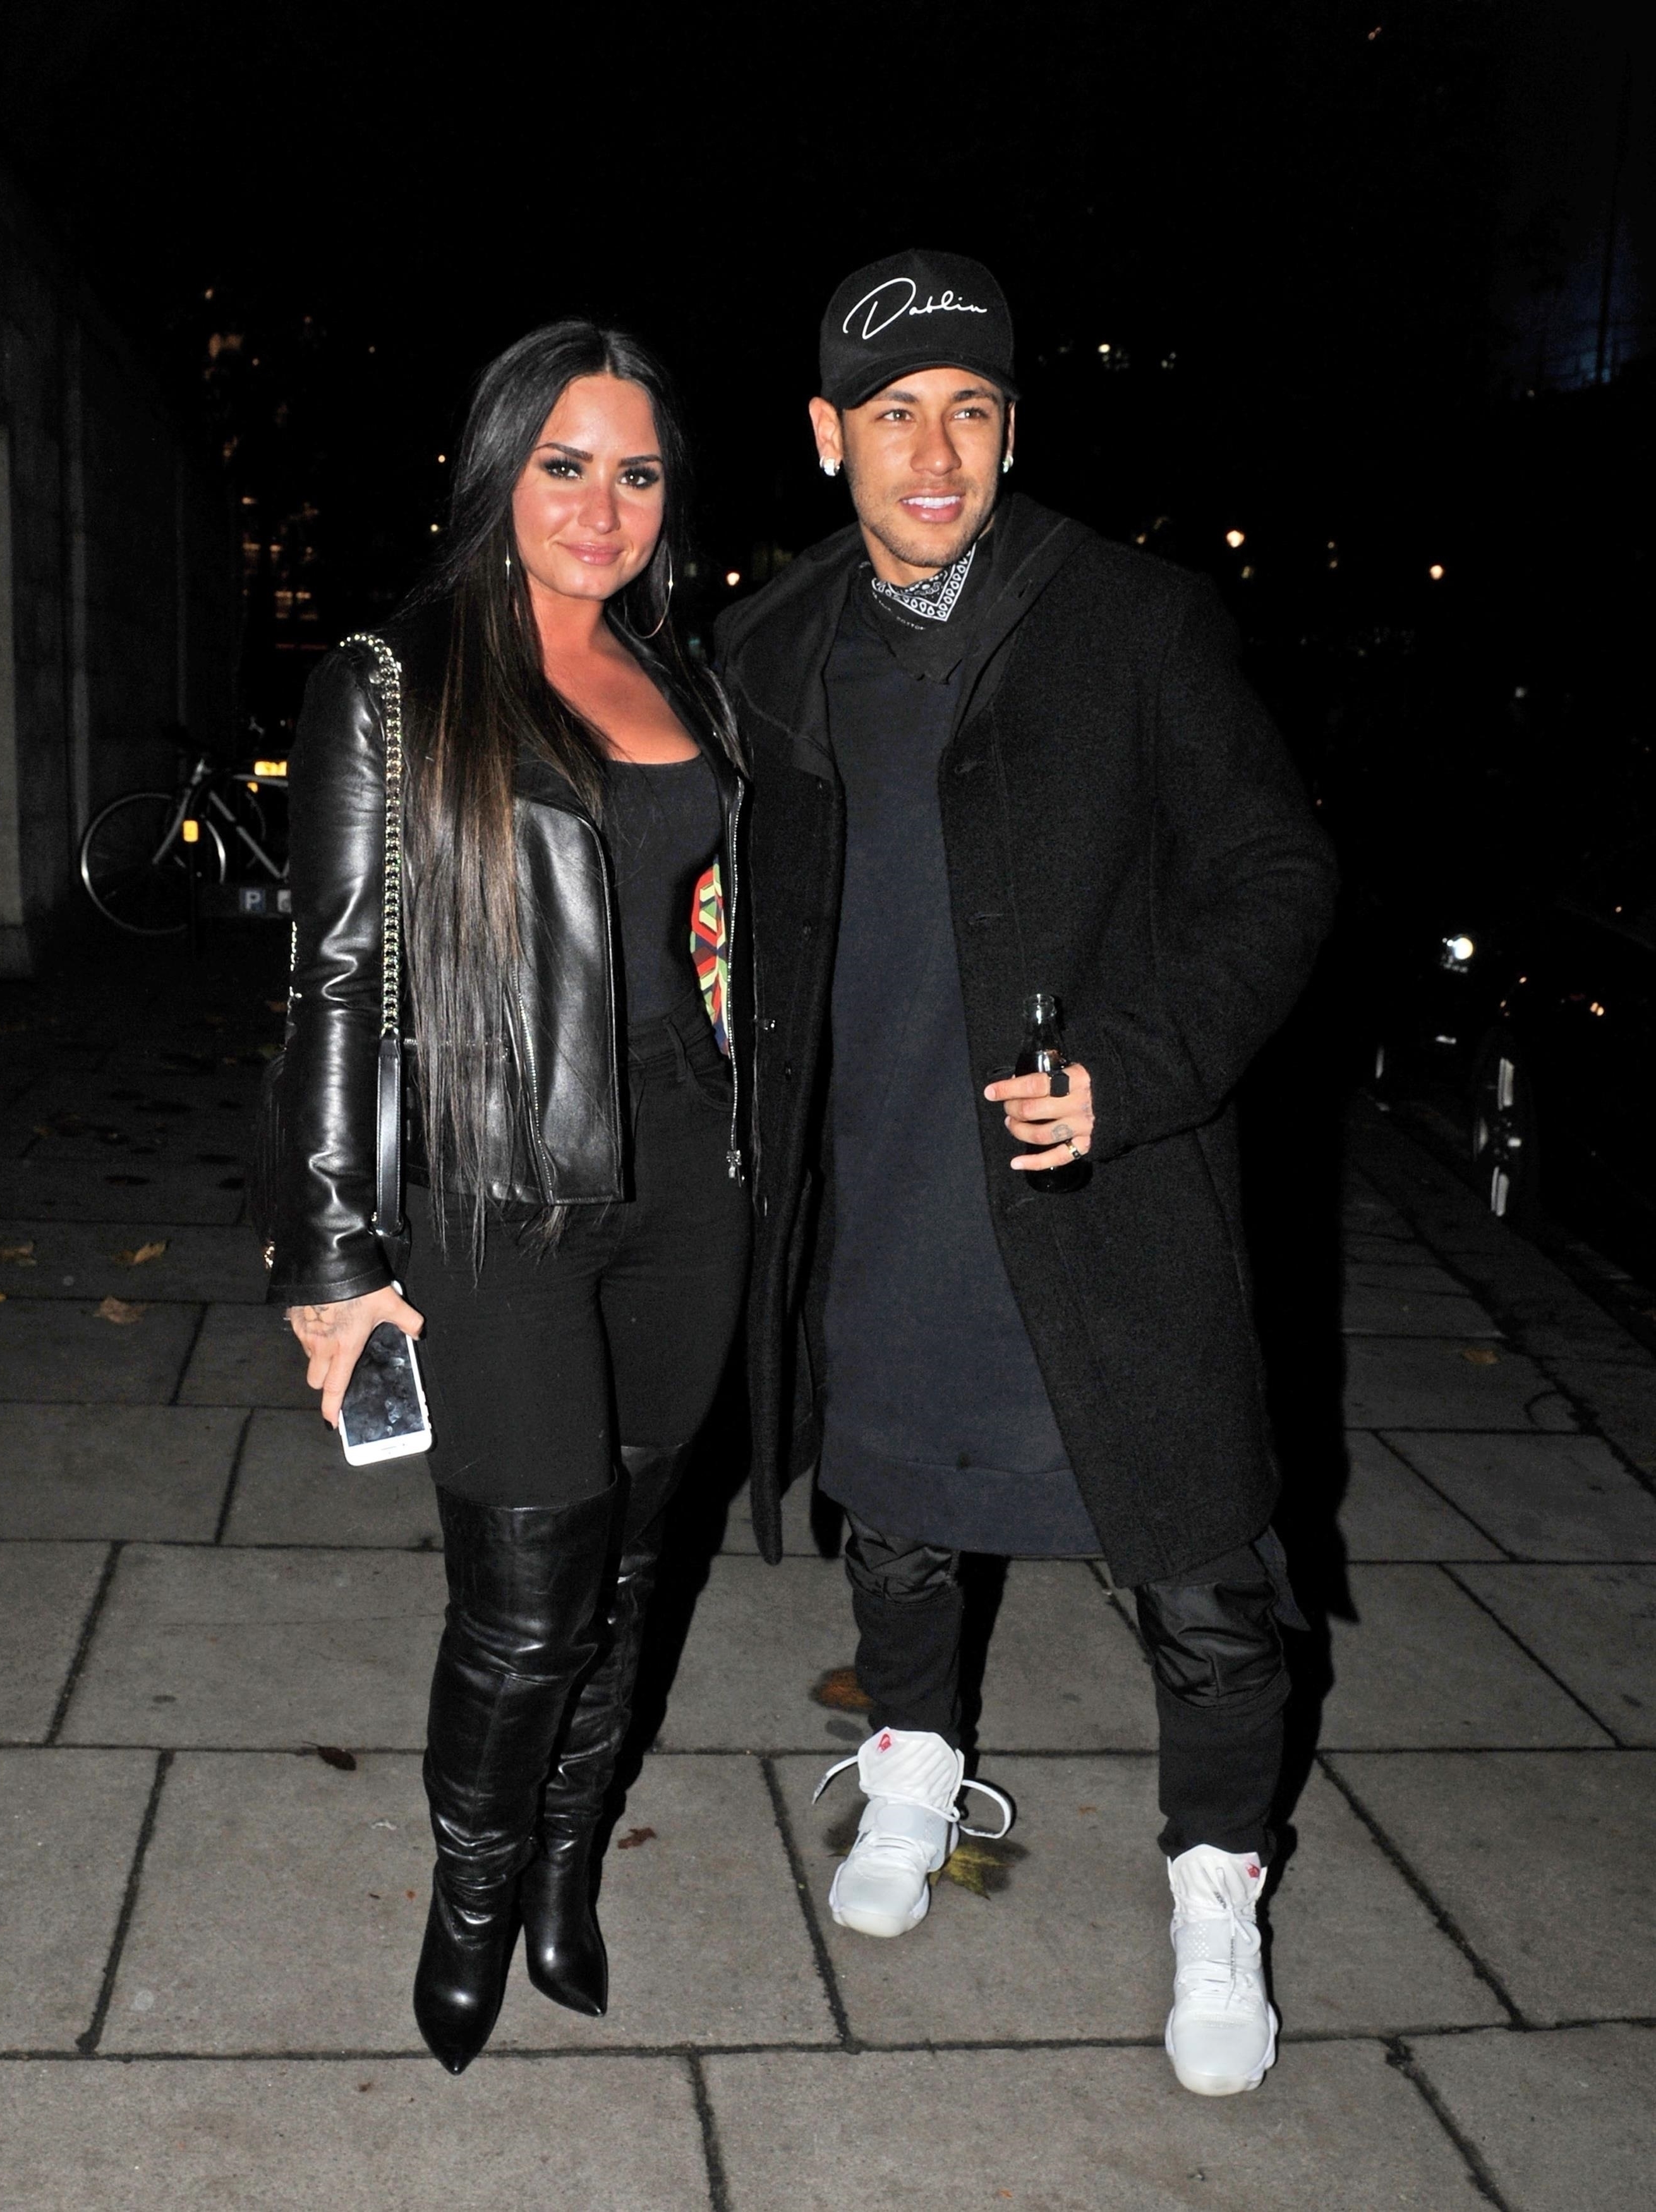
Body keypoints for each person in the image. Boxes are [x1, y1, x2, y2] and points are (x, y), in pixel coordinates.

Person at [714, 250, 1336, 2098]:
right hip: (881, 1176)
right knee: (900, 1514)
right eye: (894, 414)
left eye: (971, 411)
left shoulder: (1134, 620)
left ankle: (1216, 1883)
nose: (935, 453)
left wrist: (1137, 1069)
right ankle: (915, 1763)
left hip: (1104, 1197)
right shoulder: (770, 645)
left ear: (1011, 427)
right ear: (826, 436)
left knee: (1206, 1577)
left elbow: (1281, 874)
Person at [269, 320, 749, 2074]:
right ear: (496, 469)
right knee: (529, 1605)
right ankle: (471, 1898)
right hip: (496, 1199)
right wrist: (334, 1254)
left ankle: (566, 1867)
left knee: (631, 1575)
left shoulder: (683, 675)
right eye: (564, 463)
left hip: (693, 1185)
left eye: (636, 472)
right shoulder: (395, 682)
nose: (601, 506)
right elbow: (337, 976)